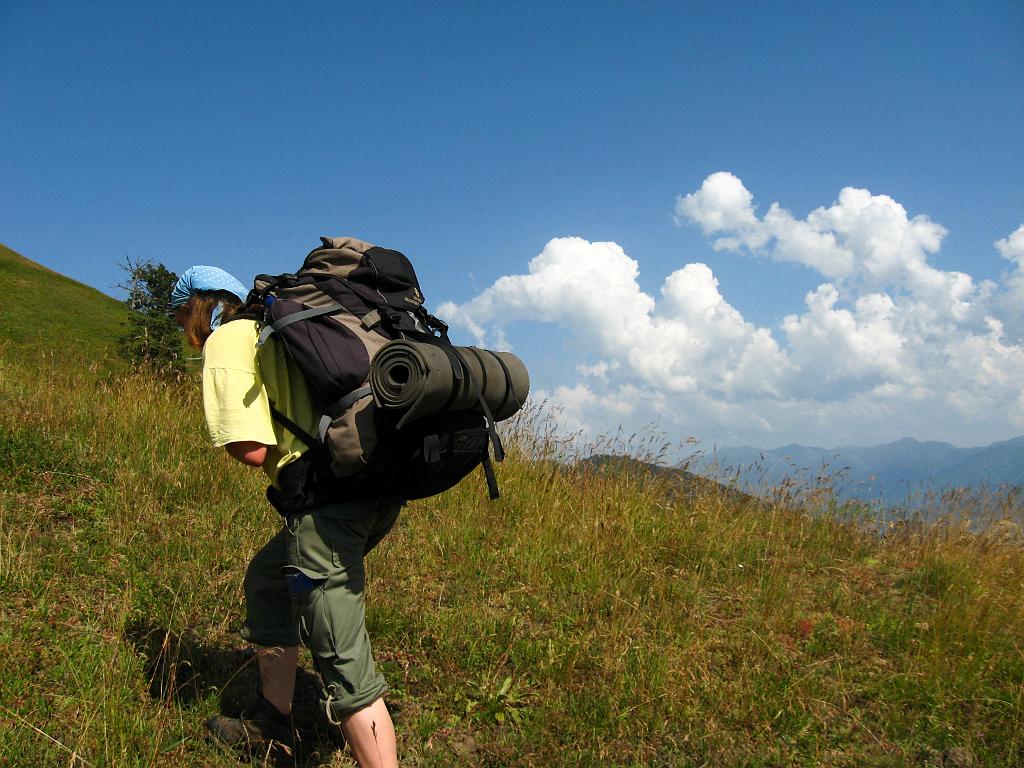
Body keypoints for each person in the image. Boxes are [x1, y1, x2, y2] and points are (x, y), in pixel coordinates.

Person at [170, 265, 401, 768]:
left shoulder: (229, 340)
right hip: (375, 489)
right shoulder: (280, 330)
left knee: (340, 655)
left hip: (328, 503)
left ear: (197, 309)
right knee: (271, 581)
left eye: (181, 317)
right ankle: (271, 722)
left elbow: (252, 449)